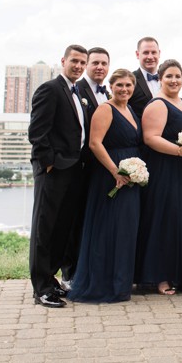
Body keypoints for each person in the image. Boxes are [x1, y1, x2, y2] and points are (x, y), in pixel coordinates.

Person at [68, 68, 142, 303]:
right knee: (109, 229)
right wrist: (115, 172)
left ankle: (121, 284)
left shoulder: (129, 109)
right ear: (111, 86)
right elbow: (94, 143)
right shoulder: (105, 109)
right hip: (111, 177)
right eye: (119, 85)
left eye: (128, 85)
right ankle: (103, 284)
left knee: (125, 231)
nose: (124, 89)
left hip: (130, 177)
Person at [28, 44, 89, 308]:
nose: (78, 66)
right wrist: (48, 164)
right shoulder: (50, 89)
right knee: (44, 228)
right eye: (74, 61)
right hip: (53, 171)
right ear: (63, 61)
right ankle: (40, 288)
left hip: (74, 170)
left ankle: (51, 279)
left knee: (61, 229)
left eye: (82, 63)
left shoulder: (78, 93)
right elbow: (37, 132)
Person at [136, 59, 182, 295]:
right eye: (169, 76)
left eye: (178, 76)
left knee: (180, 220)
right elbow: (151, 138)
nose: (174, 81)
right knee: (165, 220)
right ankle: (159, 277)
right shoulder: (158, 104)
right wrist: (181, 151)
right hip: (164, 169)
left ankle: (177, 272)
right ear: (160, 79)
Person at [67, 46, 111, 286]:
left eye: (104, 63)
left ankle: (94, 270)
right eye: (95, 63)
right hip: (81, 167)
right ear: (86, 65)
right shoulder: (77, 90)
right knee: (76, 221)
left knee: (94, 221)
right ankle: (71, 273)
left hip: (102, 169)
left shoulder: (111, 93)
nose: (99, 67)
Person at [129, 37, 161, 118]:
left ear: (159, 53)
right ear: (137, 54)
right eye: (146, 53)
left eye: (153, 52)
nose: (150, 57)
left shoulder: (167, 79)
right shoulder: (129, 80)